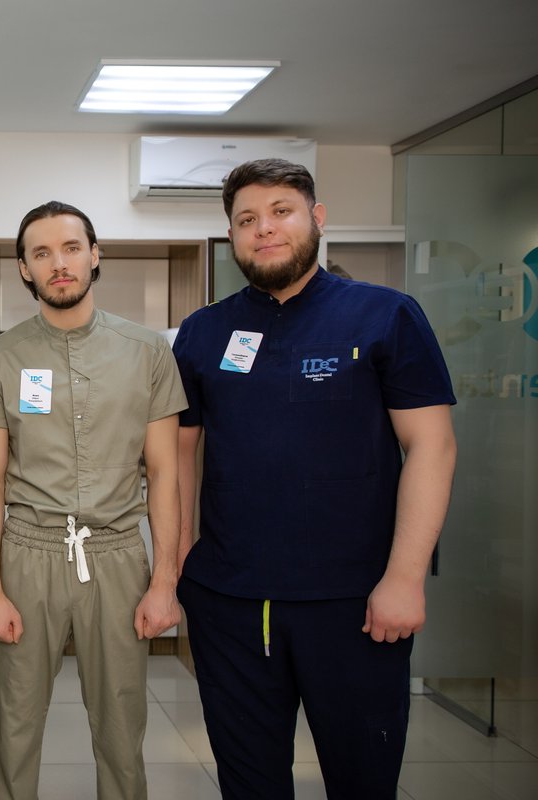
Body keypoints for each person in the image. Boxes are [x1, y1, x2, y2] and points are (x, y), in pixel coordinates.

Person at [173, 158, 457, 800]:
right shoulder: (204, 332)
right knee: (249, 785)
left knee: (362, 782)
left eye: (281, 212)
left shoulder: (385, 315)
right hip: (233, 603)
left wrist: (405, 579)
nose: (264, 229)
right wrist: (181, 566)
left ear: (317, 218)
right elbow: (180, 457)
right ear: (232, 234)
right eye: (247, 219)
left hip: (357, 604)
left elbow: (433, 447)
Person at [0, 200, 186, 800]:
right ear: (24, 268)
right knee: (11, 725)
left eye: (70, 248)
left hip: (117, 555)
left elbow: (165, 473)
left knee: (121, 727)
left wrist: (165, 581)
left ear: (95, 255)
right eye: (41, 253)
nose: (58, 264)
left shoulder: (148, 352)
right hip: (26, 555)